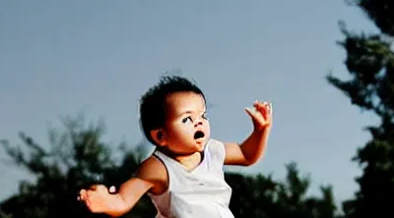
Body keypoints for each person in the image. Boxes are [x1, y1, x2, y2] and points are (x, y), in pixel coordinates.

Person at [78, 75, 273, 217]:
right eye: (187, 119)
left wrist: (260, 130)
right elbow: (124, 198)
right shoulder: (159, 167)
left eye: (202, 115)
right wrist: (105, 201)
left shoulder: (212, 151)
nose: (199, 123)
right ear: (161, 135)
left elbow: (246, 155)